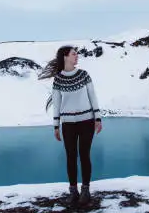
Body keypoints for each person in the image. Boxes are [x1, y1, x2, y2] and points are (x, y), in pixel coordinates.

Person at [39, 45, 103, 207]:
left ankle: (86, 191)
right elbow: (57, 103)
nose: (77, 57)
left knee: (84, 155)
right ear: (65, 57)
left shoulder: (84, 75)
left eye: (77, 54)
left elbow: (92, 96)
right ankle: (73, 191)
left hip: (87, 121)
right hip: (68, 124)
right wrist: (55, 126)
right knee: (70, 157)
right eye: (74, 54)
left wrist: (98, 118)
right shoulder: (58, 79)